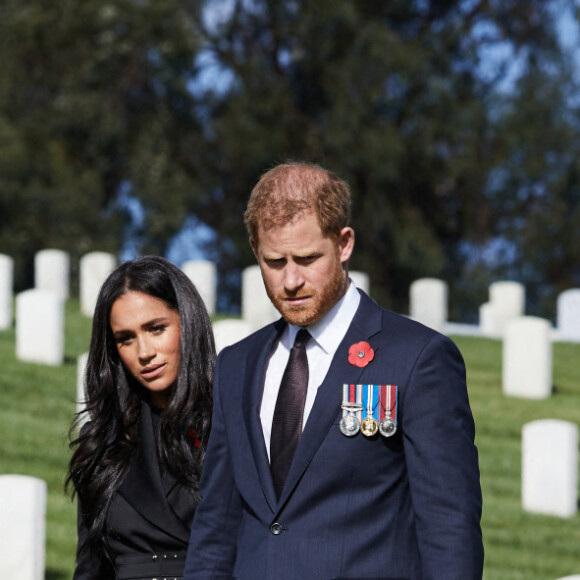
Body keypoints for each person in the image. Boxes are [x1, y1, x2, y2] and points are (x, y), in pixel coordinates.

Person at [183, 161, 484, 580]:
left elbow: (449, 526)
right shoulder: (237, 365)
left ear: (344, 244)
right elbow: (216, 525)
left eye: (307, 259)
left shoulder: (417, 359)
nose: (290, 281)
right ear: (254, 250)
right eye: (274, 261)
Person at [66, 256, 215, 579]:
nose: (144, 351)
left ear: (187, 322)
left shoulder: (234, 421)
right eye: (126, 339)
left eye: (156, 329)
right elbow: (91, 567)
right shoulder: (103, 441)